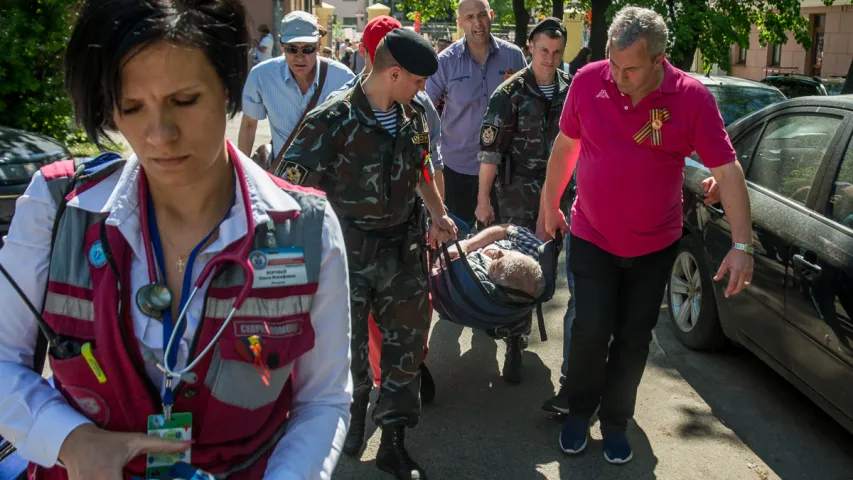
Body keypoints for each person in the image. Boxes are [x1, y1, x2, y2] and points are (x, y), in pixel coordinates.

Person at [0, 1, 352, 480]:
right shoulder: (56, 208)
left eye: (184, 101)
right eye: (131, 107)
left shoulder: (307, 226)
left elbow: (324, 399)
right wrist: (70, 440)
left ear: (229, 89)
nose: (159, 134)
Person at [541, 6, 754, 464]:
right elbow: (566, 145)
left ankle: (616, 420)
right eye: (613, 64)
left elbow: (727, 168)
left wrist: (741, 245)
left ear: (659, 60)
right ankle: (580, 409)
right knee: (590, 330)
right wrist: (549, 202)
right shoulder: (587, 81)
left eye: (630, 68)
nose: (617, 76)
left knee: (634, 338)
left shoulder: (692, 98)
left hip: (655, 246)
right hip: (592, 236)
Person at [276, 29, 457, 479]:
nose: (421, 90)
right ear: (394, 73)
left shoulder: (411, 115)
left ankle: (394, 440)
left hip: (404, 251)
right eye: (416, 81)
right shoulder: (330, 121)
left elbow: (419, 169)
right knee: (348, 350)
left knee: (405, 347)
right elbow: (289, 191)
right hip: (348, 258)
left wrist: (438, 213)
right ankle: (353, 419)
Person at [475, 17, 573, 383]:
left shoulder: (572, 90)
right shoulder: (509, 93)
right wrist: (483, 201)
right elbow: (489, 152)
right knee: (516, 268)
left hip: (557, 198)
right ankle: (514, 339)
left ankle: (521, 321)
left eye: (557, 52)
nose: (550, 59)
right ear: (531, 47)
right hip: (516, 196)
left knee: (545, 267)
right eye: (544, 50)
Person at [426, 0, 527, 230]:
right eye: (469, 17)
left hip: (504, 170)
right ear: (460, 22)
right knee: (457, 244)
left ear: (491, 15)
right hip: (458, 169)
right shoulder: (445, 62)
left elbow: (526, 106)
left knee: (500, 247)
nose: (477, 23)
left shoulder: (513, 57)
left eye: (482, 15)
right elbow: (425, 108)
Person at [329, 15, 446, 199]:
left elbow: (431, 164)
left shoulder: (419, 105)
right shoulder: (337, 109)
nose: (384, 69)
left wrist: (437, 215)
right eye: (380, 58)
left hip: (408, 219)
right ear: (362, 51)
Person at [238, 11, 354, 172]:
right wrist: (241, 175)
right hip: (283, 180)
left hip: (329, 182)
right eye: (292, 49)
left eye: (307, 49)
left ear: (319, 45)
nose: (299, 58)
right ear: (281, 45)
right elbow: (249, 125)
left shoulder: (343, 77)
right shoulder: (261, 76)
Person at [441, 224, 546, 300]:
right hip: (470, 242)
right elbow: (506, 229)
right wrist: (466, 246)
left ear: (494, 282)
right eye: (512, 252)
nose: (500, 252)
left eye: (499, 264)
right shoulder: (534, 248)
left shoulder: (477, 279)